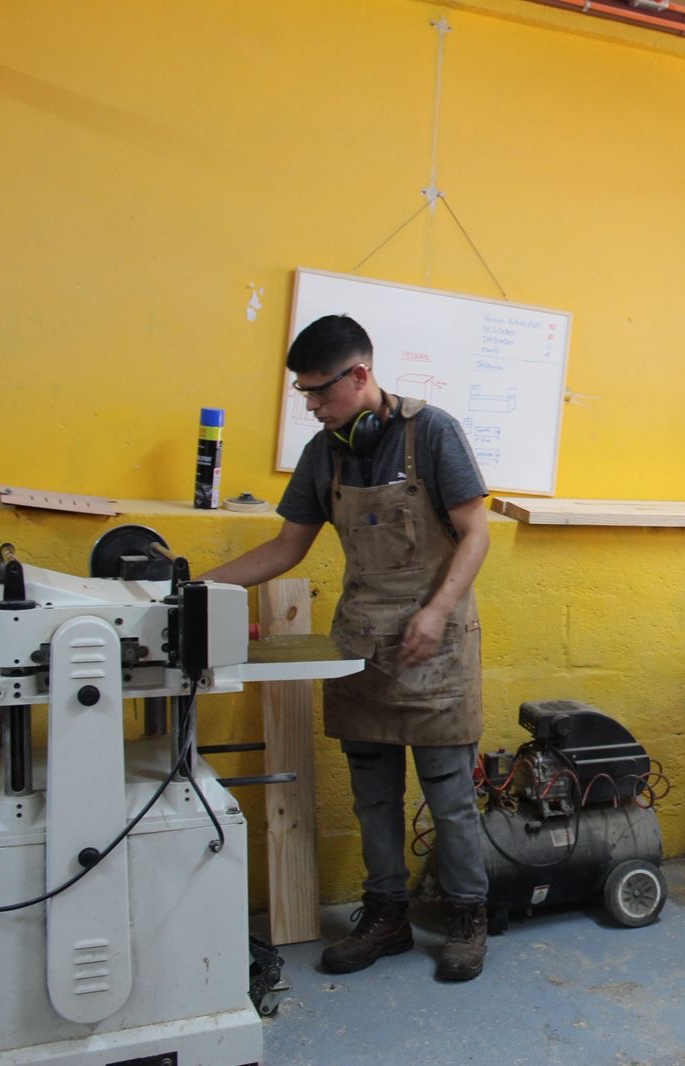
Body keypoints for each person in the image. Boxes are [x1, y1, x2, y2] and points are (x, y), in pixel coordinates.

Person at [204, 315, 493, 982]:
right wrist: (194, 584)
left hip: (435, 644)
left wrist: (437, 610)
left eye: (318, 392)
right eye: (303, 394)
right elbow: (286, 547)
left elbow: (476, 531)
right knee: (372, 796)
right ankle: (386, 915)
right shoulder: (324, 453)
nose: (310, 406)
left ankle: (468, 918)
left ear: (360, 376)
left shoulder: (434, 433)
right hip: (362, 643)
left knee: (449, 795)